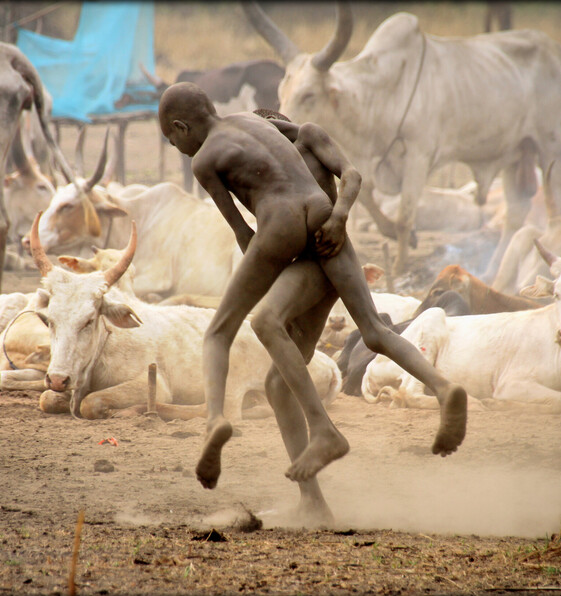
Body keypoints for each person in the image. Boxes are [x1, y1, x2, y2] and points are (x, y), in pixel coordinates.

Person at [158, 82, 467, 494]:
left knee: (228, 329)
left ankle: (220, 420)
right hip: (324, 225)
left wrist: (266, 258)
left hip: (285, 228)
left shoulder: (206, 160)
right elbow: (344, 180)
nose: (180, 149)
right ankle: (444, 390)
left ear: (180, 127)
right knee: (365, 335)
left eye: (173, 141)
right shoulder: (266, 127)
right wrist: (338, 218)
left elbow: (243, 233)